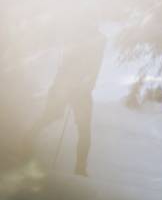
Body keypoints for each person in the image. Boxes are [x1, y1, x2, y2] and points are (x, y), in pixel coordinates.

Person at [24, 20, 106, 176]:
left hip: (75, 88)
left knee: (80, 127)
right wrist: (84, 82)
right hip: (69, 86)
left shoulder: (93, 39)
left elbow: (93, 66)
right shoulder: (90, 39)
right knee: (57, 118)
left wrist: (87, 83)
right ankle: (28, 140)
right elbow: (71, 64)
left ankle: (80, 167)